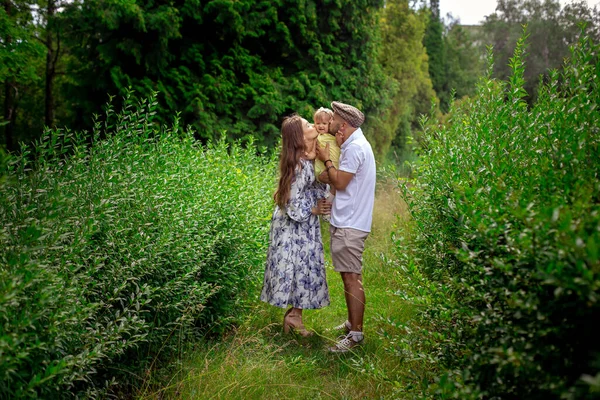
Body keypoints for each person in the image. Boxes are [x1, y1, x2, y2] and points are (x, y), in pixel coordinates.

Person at [260, 114, 332, 337]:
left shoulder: (306, 158)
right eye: (308, 125)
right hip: (293, 226)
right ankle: (293, 317)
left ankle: (294, 317)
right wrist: (313, 209)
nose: (313, 126)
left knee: (304, 268)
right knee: (298, 269)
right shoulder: (298, 164)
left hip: (302, 226)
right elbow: (290, 200)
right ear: (300, 136)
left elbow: (310, 188)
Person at [316, 101, 376, 352]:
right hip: (347, 220)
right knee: (348, 276)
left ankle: (355, 336)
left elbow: (339, 182)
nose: (330, 124)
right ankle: (352, 323)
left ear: (345, 124)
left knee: (352, 279)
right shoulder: (352, 144)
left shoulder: (354, 148)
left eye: (334, 121)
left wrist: (326, 160)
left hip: (351, 223)